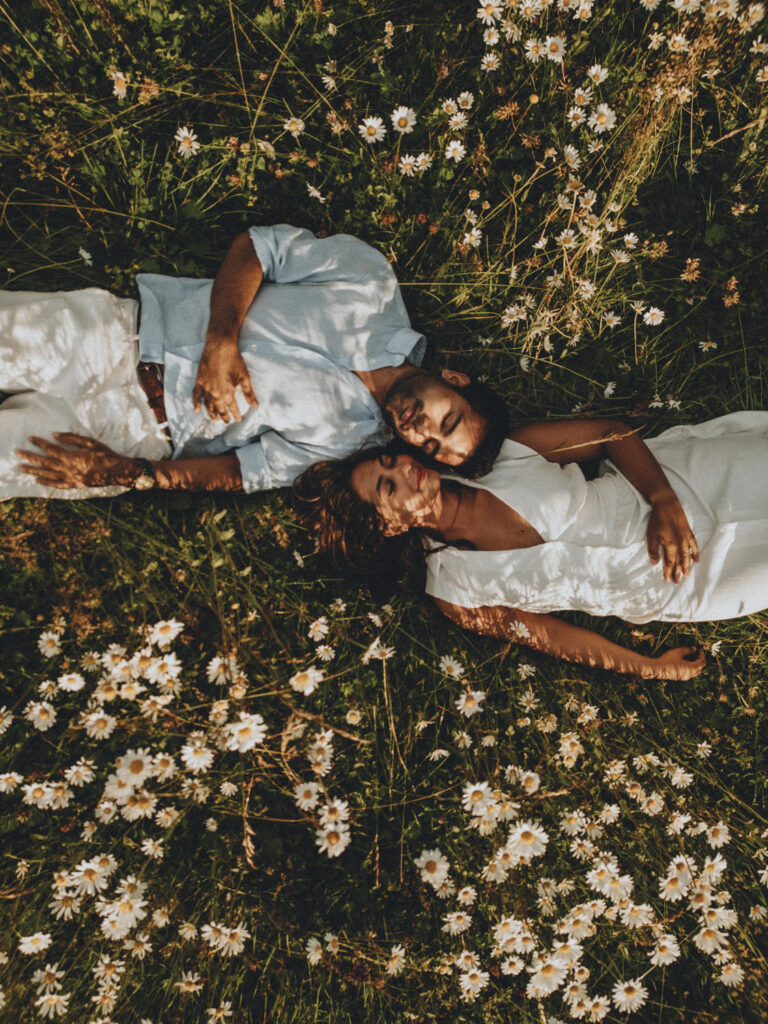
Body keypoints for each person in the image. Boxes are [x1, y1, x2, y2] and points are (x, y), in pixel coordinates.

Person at [4, 225, 507, 499]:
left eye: (432, 447)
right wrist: (222, 341)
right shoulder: (370, 282)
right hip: (114, 335)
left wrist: (129, 473)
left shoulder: (351, 446)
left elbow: (246, 472)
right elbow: (258, 248)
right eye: (448, 419)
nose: (424, 431)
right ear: (454, 379)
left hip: (131, 432)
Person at [294, 412, 768, 681]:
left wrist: (662, 499)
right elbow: (551, 637)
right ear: (389, 528)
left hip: (679, 482)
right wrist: (647, 666)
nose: (402, 469)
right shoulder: (455, 592)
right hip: (678, 582)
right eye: (387, 488)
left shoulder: (495, 456)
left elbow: (610, 434)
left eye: (388, 460)